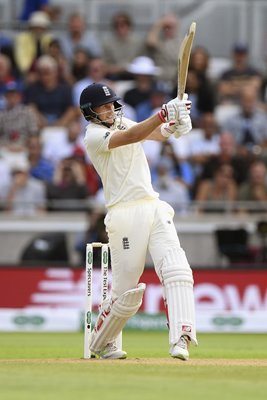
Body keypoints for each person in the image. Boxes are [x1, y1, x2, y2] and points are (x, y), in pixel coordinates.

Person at [79, 82, 197, 360]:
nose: (111, 109)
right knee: (126, 292)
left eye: (112, 104)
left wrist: (175, 124)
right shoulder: (93, 136)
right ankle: (102, 341)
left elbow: (153, 134)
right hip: (124, 213)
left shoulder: (121, 122)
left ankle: (181, 338)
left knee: (177, 270)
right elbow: (132, 136)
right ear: (90, 112)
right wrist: (162, 113)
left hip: (153, 205)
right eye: (104, 106)